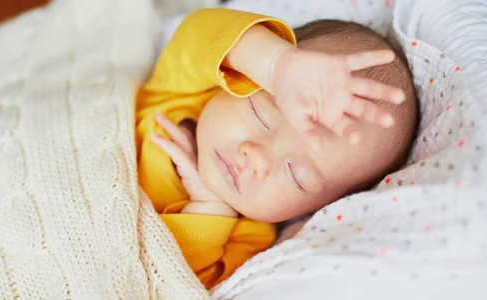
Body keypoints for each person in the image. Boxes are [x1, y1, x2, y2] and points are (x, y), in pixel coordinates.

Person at [135, 8, 417, 289]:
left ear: (314, 209)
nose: (256, 156)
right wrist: (275, 62)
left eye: (296, 174)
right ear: (243, 75)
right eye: (260, 115)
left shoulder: (249, 240)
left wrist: (208, 207)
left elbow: (171, 284)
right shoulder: (182, 93)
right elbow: (202, 33)